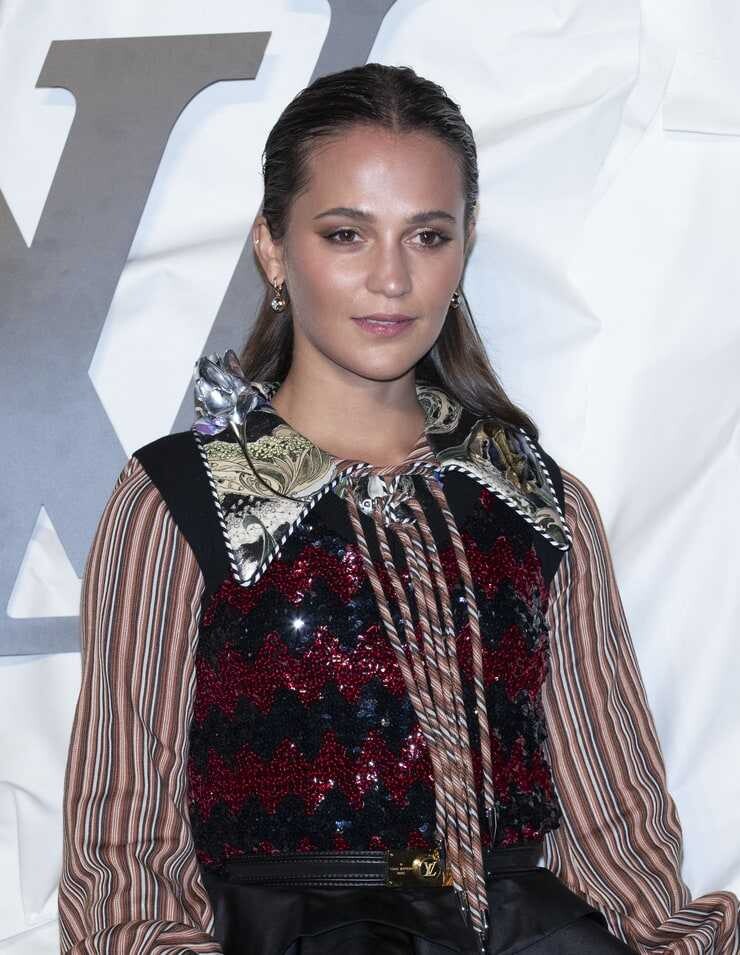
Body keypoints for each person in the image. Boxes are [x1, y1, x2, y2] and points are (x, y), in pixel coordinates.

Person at [57, 64, 739, 955]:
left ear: (465, 246)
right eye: (346, 234)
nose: (391, 277)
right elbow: (123, 850)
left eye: (427, 235)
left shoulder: (536, 500)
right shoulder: (179, 499)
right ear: (273, 247)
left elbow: (617, 827)